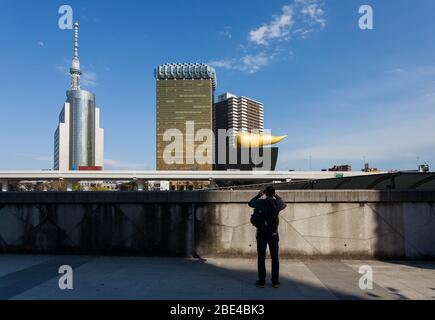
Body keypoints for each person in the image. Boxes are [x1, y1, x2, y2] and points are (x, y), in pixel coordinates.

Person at [248, 186, 287, 288]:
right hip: (273, 234)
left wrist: (259, 195)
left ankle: (261, 281)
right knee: (275, 258)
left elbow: (250, 203)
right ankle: (275, 282)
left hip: (261, 233)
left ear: (265, 193)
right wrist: (276, 195)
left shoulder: (260, 202)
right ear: (273, 193)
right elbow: (283, 204)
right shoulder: (276, 203)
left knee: (261, 257)